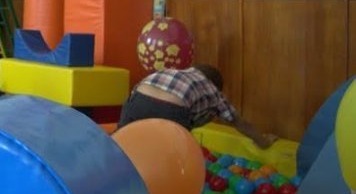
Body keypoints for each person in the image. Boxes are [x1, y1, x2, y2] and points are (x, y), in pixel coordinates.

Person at [117, 64, 277, 148]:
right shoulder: (213, 91)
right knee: (171, 153)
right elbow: (239, 122)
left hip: (137, 99)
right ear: (216, 85)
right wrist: (262, 141)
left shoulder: (175, 72)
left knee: (120, 141)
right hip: (171, 109)